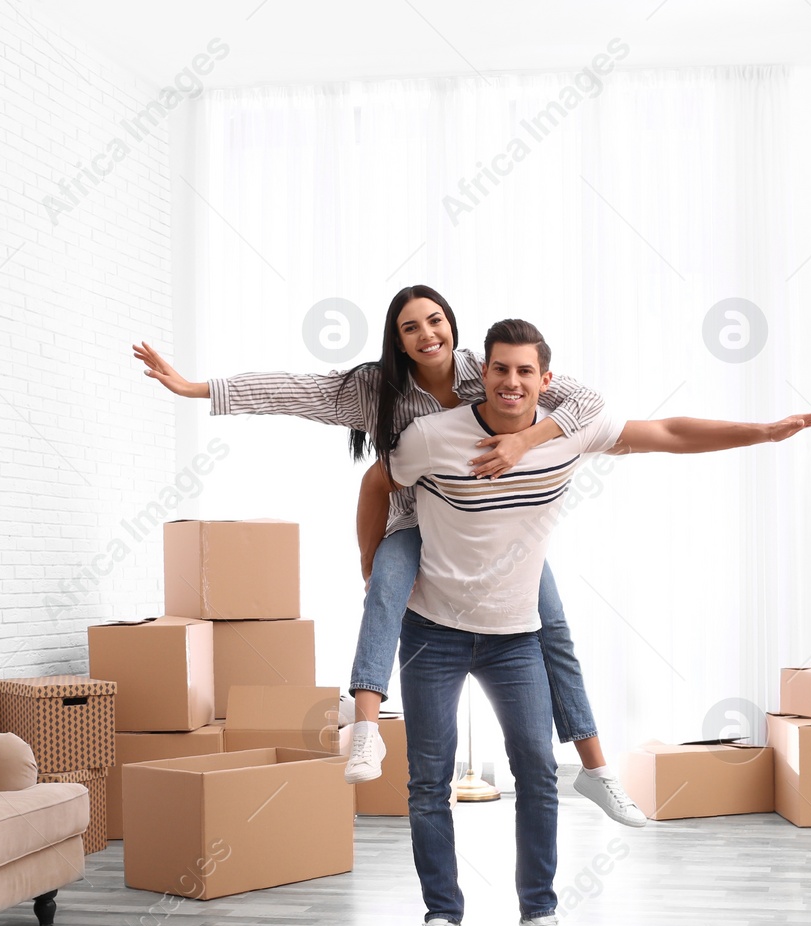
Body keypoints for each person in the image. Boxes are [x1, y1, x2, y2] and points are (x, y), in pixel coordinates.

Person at [386, 318, 811, 926]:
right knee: (428, 781)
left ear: (546, 379)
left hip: (515, 637)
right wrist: (373, 570)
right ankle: (441, 920)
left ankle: (539, 917)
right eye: (500, 368)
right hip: (433, 629)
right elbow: (380, 485)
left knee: (537, 772)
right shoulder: (430, 437)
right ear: (483, 373)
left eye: (525, 371)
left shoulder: (570, 432)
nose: (511, 381)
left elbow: (670, 433)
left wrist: (763, 432)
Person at [132, 285, 645, 826]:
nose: (427, 334)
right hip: (415, 523)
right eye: (411, 327)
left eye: (436, 320)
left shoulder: (488, 369)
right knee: (382, 587)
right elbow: (292, 391)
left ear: (452, 324)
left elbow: (588, 403)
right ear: (397, 341)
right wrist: (196, 388)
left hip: (491, 534)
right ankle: (366, 730)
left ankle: (596, 769)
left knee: (554, 627)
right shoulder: (377, 390)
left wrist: (526, 439)